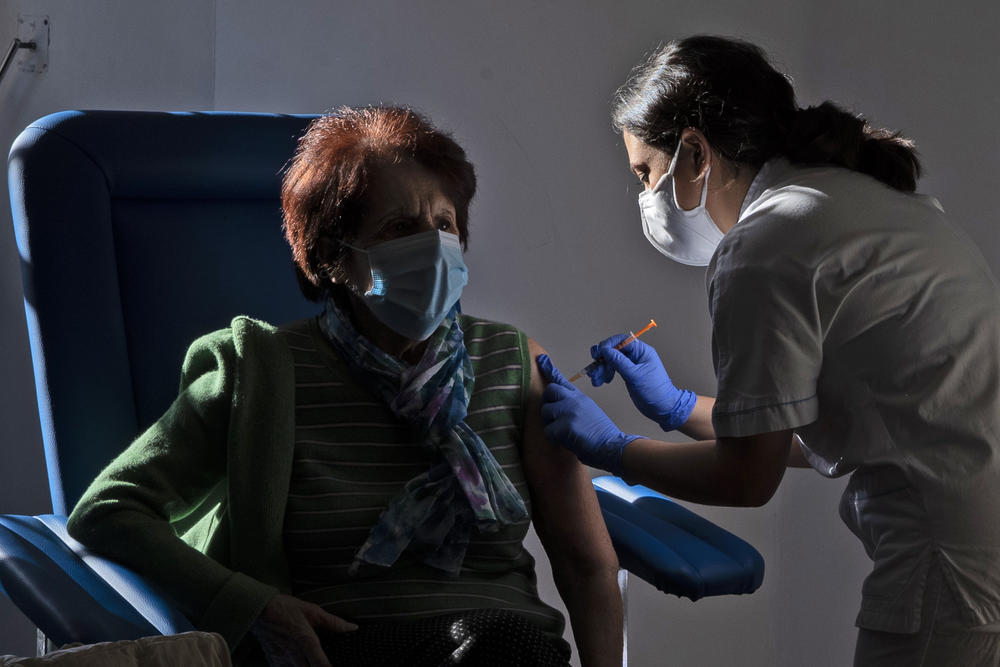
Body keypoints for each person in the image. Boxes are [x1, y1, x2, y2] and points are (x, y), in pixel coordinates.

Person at [67, 106, 623, 667]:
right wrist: (252, 606)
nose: (433, 248)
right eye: (400, 228)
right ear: (333, 257)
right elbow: (108, 509)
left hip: (502, 648)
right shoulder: (260, 372)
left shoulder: (514, 361)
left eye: (445, 224)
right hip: (334, 651)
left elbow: (586, 564)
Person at [537, 35, 1000, 666]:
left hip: (951, 576)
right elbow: (865, 423)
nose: (644, 196)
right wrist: (676, 408)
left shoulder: (762, 245)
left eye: (644, 173)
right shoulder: (867, 205)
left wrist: (613, 449)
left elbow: (747, 475)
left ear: (695, 152)